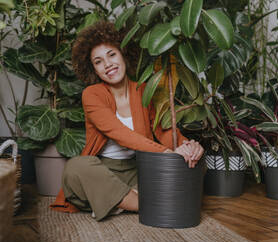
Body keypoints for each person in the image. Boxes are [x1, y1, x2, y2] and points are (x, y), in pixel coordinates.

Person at [51, 21, 204, 221]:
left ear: (123, 54)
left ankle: (118, 201)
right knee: (76, 167)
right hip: (102, 170)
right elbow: (119, 134)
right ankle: (152, 202)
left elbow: (163, 131)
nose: (107, 65)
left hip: (138, 171)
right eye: (98, 61)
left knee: (196, 161)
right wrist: (168, 153)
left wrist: (187, 147)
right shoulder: (92, 95)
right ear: (93, 69)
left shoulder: (144, 90)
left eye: (112, 55)